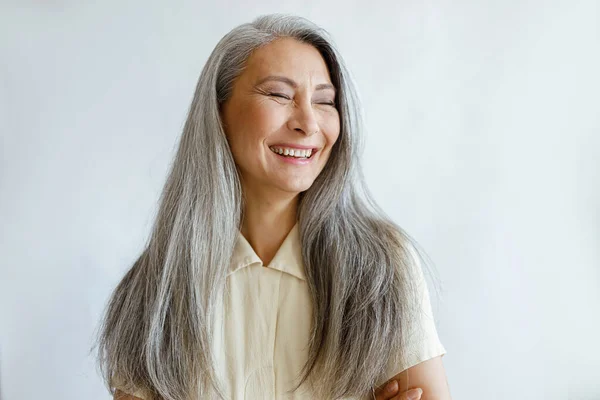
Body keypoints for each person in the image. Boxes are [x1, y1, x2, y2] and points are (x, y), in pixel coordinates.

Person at [94, 13, 451, 400]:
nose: (309, 122)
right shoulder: (156, 287)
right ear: (219, 114)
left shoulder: (383, 267)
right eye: (280, 95)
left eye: (325, 101)